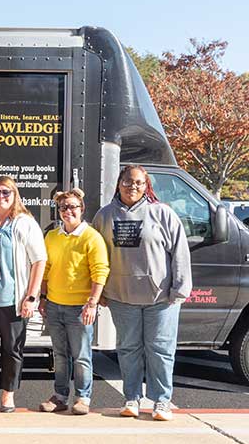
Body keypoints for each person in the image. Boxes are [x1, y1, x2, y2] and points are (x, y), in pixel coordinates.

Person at [93, 165, 191, 421]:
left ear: (146, 185)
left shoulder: (163, 213)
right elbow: (95, 257)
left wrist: (180, 288)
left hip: (161, 298)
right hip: (121, 297)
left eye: (138, 182)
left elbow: (180, 252)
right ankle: (132, 398)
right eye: (127, 181)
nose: (132, 186)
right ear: (119, 183)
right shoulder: (104, 216)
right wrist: (98, 291)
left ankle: (161, 402)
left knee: (160, 350)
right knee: (128, 349)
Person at [0, 176, 46, 413]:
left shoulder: (24, 223)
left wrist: (31, 296)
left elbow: (39, 261)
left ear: (15, 195)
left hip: (13, 300)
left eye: (6, 192)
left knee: (13, 348)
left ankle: (8, 394)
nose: (0, 197)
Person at [38, 188, 109, 415]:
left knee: (81, 356)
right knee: (59, 355)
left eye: (72, 207)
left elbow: (100, 271)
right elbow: (46, 269)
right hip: (55, 304)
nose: (67, 211)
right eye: (63, 207)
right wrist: (42, 297)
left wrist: (92, 303)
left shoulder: (92, 237)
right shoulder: (52, 237)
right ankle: (60, 396)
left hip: (80, 308)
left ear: (82, 209)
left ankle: (82, 398)